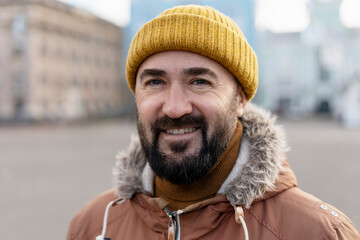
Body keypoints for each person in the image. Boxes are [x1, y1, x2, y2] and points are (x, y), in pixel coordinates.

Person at [67, 5, 360, 240]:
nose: (175, 107)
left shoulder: (318, 232)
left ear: (241, 100)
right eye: (155, 81)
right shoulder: (94, 225)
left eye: (199, 81)